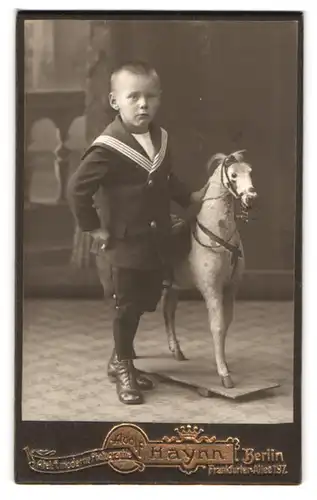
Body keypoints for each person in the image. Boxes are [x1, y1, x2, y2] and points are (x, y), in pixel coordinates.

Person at [67, 61, 206, 405]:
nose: (143, 104)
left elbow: (166, 179)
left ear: (159, 99)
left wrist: (188, 196)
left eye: (151, 96)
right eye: (134, 97)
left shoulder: (161, 138)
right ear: (115, 101)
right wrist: (93, 227)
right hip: (122, 245)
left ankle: (120, 358)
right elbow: (77, 190)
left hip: (153, 242)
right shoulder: (108, 146)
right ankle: (124, 368)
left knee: (143, 303)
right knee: (124, 307)